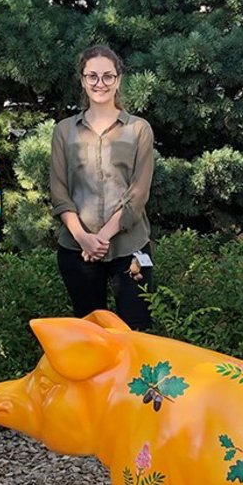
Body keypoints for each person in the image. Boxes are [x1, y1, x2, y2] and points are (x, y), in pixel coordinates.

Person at [50, 45, 156, 330]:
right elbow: (59, 191)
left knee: (137, 332)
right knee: (90, 337)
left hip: (129, 246)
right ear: (83, 80)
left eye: (108, 76)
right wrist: (83, 237)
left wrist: (103, 237)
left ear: (118, 79)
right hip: (77, 248)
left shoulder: (139, 129)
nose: (100, 84)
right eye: (92, 76)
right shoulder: (64, 130)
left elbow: (139, 192)